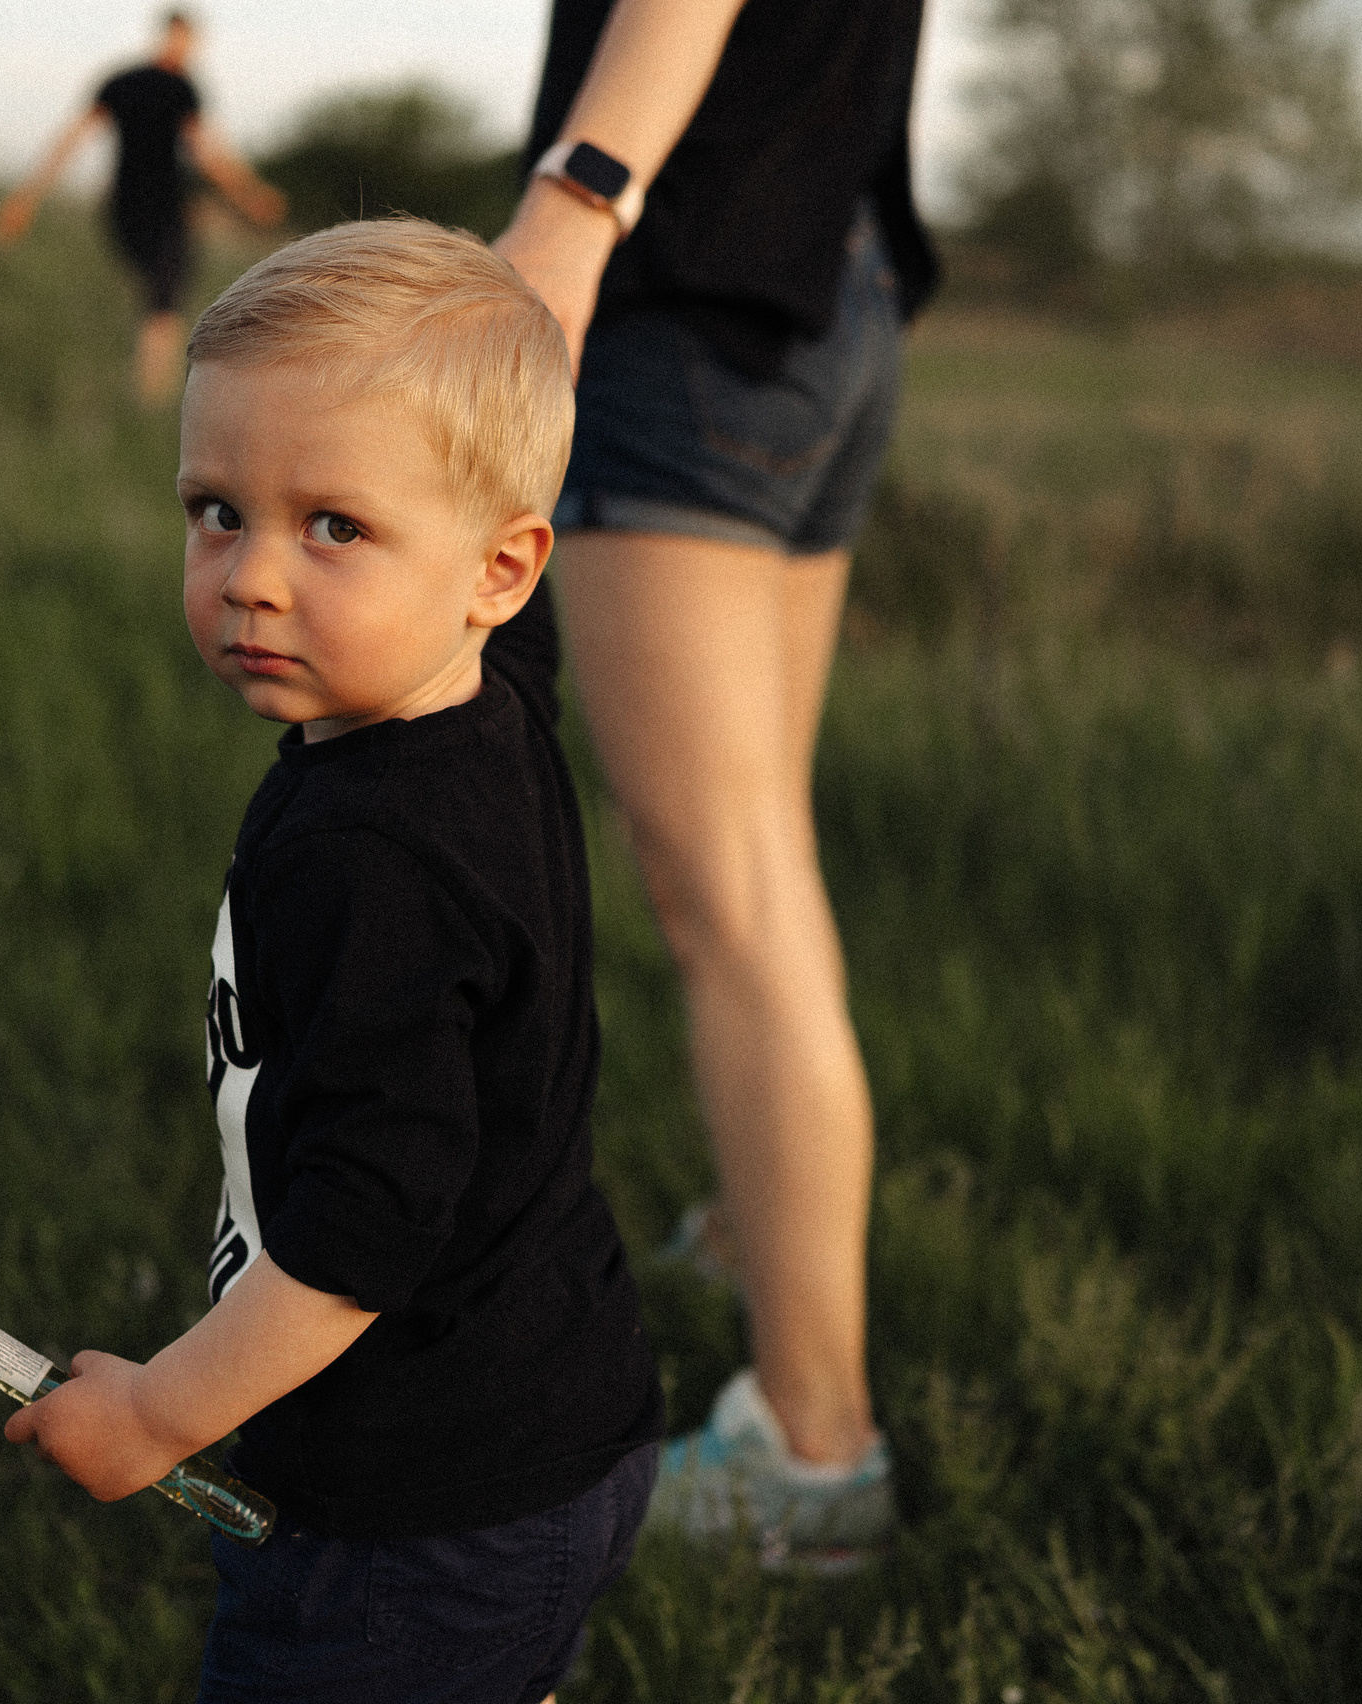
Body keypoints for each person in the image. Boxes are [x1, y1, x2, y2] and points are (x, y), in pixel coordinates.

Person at [4, 219, 662, 1703]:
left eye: (334, 529)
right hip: (559, 1413)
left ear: (499, 572)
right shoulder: (484, 690)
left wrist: (163, 1411)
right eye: (217, 510)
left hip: (418, 1500)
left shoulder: (371, 860)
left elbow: (367, 1226)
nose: (252, 577)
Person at [490, 0, 940, 1571]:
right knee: (760, 850)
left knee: (727, 890)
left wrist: (574, 202)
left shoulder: (616, 229)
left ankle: (817, 1456)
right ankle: (762, 1231)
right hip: (831, 277)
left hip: (685, 293)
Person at [0, 9, 285, 403]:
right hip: (161, 208)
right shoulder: (179, 87)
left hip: (124, 208)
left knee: (159, 297)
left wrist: (24, 199)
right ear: (180, 40)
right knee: (165, 301)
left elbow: (70, 139)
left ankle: (149, 390)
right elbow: (206, 154)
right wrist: (251, 196)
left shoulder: (121, 80)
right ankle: (151, 399)